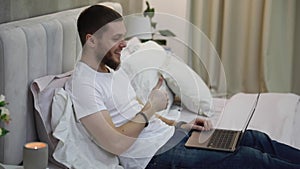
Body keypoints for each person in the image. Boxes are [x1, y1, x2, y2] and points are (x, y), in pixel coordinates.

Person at [65, 4, 300, 169]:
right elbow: (115, 143)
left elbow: (131, 111)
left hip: (175, 136)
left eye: (123, 36)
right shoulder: (84, 84)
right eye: (116, 38)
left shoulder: (111, 70)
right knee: (252, 159)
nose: (124, 44)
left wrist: (179, 123)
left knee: (255, 139)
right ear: (91, 39)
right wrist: (151, 107)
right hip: (154, 157)